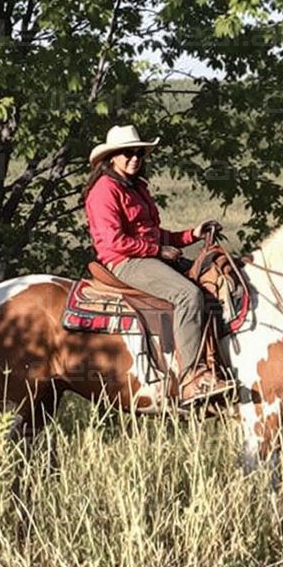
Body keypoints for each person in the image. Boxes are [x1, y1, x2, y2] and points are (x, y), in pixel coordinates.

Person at [83, 124, 236, 406]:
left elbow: (154, 233)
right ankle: (192, 378)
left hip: (147, 255)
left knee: (212, 277)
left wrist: (192, 234)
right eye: (127, 153)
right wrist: (157, 250)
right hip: (125, 262)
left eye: (139, 153)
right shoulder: (105, 190)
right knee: (187, 295)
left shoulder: (136, 187)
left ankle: (219, 359)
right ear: (112, 157)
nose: (134, 158)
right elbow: (114, 241)